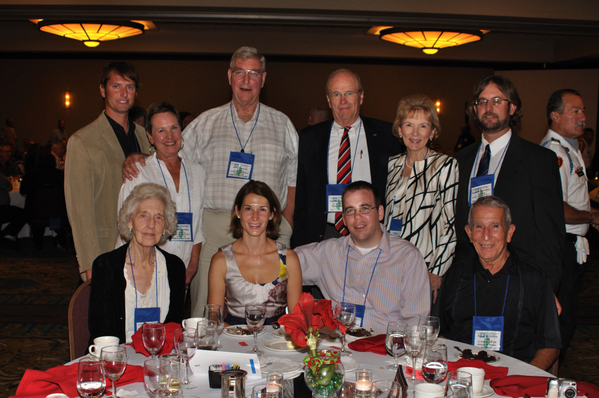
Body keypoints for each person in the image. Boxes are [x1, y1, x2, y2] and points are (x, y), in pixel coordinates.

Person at [122, 46, 298, 316]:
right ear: (229, 76)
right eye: (240, 72)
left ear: (263, 78)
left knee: (270, 304)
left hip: (267, 227)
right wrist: (141, 157)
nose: (246, 80)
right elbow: (171, 152)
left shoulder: (283, 124)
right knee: (205, 307)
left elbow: (292, 177)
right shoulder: (205, 123)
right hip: (215, 226)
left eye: (254, 73)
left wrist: (285, 221)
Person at [454, 75, 565, 293]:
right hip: (468, 278)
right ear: (475, 110)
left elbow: (550, 234)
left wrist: (547, 289)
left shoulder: (539, 160)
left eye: (497, 101)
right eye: (482, 102)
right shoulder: (460, 160)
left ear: (512, 108)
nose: (488, 107)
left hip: (520, 279)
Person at [439, 196, 561, 370]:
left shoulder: (534, 280)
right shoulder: (454, 276)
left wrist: (523, 380)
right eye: (479, 226)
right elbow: (441, 333)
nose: (486, 235)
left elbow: (550, 345)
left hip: (514, 380)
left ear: (509, 232)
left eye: (495, 226)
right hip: (461, 378)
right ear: (469, 233)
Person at [295, 181, 430, 331]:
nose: (357, 217)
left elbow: (416, 323)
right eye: (350, 211)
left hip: (385, 348)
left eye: (364, 208)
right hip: (339, 345)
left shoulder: (407, 257)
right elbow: (280, 261)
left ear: (380, 212)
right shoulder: (326, 253)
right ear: (344, 219)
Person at [294, 69, 401, 247]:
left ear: (361, 96)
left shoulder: (386, 136)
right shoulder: (309, 139)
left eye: (349, 93)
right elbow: (301, 198)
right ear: (328, 99)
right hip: (324, 235)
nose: (343, 101)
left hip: (371, 233)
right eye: (337, 94)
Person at [65, 61, 151, 281]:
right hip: (106, 248)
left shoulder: (146, 137)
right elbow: (80, 211)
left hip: (144, 247)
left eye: (130, 87)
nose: (124, 93)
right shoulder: (82, 141)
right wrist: (90, 263)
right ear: (103, 90)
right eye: (116, 86)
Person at [117, 102, 206, 287]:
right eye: (161, 130)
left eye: (174, 128)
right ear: (150, 137)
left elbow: (198, 223)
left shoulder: (198, 172)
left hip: (183, 267)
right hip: (143, 268)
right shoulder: (139, 172)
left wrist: (194, 262)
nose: (169, 136)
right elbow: (125, 225)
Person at [540, 89, 599, 359]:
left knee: (566, 319)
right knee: (558, 322)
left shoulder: (570, 149)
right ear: (555, 116)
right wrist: (592, 217)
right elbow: (557, 210)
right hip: (560, 248)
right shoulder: (554, 154)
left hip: (572, 246)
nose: (583, 117)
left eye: (583, 110)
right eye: (575, 111)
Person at [384, 94, 458, 304]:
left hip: (425, 266)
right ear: (399, 129)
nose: (415, 133)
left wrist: (436, 271)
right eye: (409, 125)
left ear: (432, 131)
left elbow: (450, 224)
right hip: (390, 266)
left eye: (423, 126)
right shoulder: (391, 165)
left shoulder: (445, 166)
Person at [88, 183, 185, 344]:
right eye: (143, 216)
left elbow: (175, 327)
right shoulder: (105, 266)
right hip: (116, 360)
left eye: (159, 217)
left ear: (165, 226)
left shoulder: (175, 268)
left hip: (160, 360)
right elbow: (100, 329)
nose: (151, 224)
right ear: (129, 222)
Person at [207, 180, 301, 325]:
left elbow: (297, 317)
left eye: (262, 209)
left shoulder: (289, 259)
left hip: (277, 340)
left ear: (272, 214)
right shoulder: (221, 260)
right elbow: (214, 316)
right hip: (234, 337)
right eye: (248, 209)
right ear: (238, 212)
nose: (255, 217)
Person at [0, 172, 27, 244]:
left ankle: (3, 234)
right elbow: (8, 186)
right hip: (2, 208)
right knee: (24, 214)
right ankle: (3, 234)